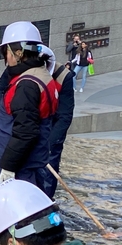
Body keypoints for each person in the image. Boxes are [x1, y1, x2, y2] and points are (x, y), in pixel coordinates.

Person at [0, 21, 61, 192]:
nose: (6, 58)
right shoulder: (41, 74)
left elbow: (26, 131)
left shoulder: (27, 84)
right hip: (28, 161)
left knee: (18, 215)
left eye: (6, 52)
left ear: (18, 53)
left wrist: (8, 166)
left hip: (20, 167)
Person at [44, 56, 75, 199]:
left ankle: (46, 200)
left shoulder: (63, 76)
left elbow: (65, 116)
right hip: (33, 124)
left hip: (54, 124)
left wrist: (49, 143)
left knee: (50, 164)